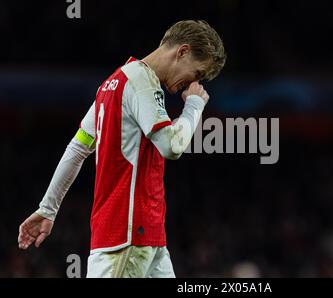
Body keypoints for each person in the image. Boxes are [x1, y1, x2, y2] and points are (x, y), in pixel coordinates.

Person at [17, 20, 226, 278]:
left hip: (148, 240)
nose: (192, 83)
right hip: (125, 239)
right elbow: (172, 146)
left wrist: (48, 208)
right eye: (196, 73)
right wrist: (194, 106)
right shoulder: (141, 81)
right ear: (182, 51)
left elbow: (78, 147)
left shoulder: (111, 84)